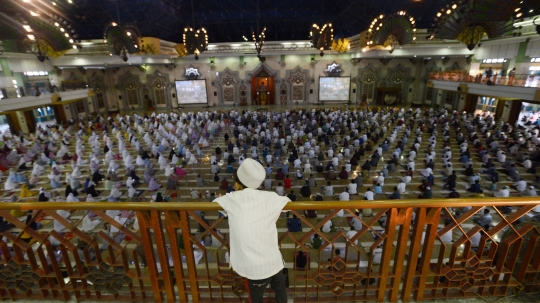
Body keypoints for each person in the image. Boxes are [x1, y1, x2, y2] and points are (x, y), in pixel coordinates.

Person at [212, 159, 289, 303]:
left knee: (256, 298)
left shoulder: (232, 199)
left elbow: (214, 204)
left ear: (237, 181)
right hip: (274, 261)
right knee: (281, 293)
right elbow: (289, 203)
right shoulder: (271, 197)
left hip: (255, 269)